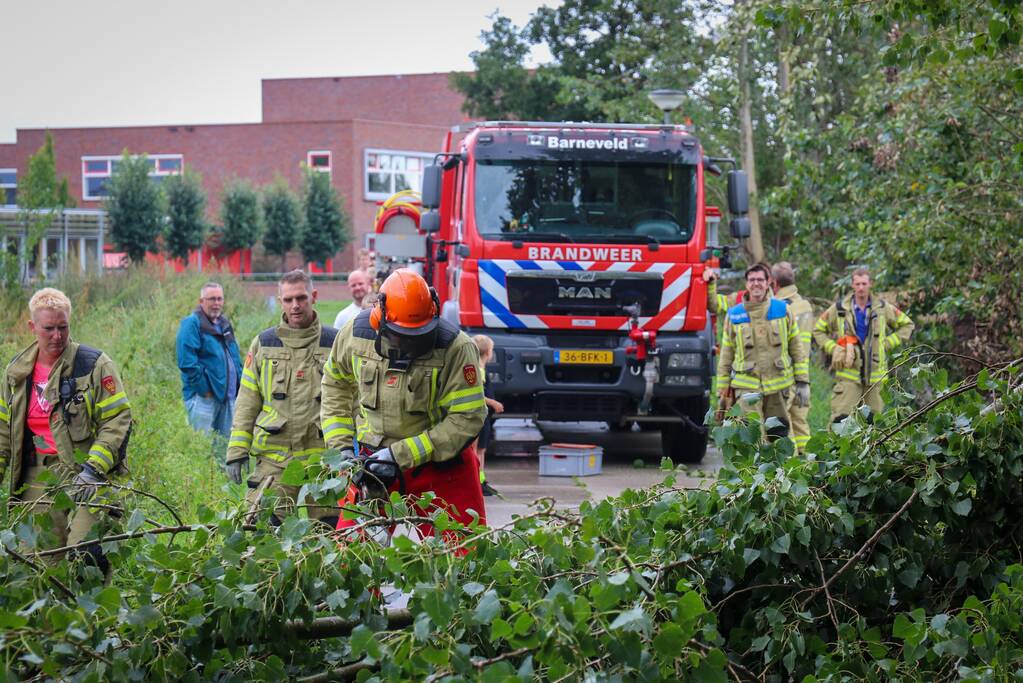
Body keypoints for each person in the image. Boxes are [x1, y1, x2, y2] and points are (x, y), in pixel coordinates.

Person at [321, 268, 488, 540]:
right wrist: (340, 447)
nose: (412, 342)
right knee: (352, 559)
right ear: (380, 320)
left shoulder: (456, 347)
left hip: (440, 462)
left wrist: (400, 454)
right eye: (402, 335)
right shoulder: (354, 335)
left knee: (460, 556)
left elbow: (467, 417)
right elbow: (334, 385)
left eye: (420, 334)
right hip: (371, 463)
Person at [0, 288, 132, 573]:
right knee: (39, 569)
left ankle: (92, 617)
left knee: (88, 559)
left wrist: (94, 469)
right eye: (48, 329)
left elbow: (118, 419)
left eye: (63, 327)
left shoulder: (94, 364)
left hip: (87, 474)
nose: (57, 336)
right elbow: (2, 432)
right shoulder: (16, 372)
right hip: (37, 478)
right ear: (32, 327)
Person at [226, 270, 339, 525]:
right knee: (263, 531)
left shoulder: (335, 343)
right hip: (275, 459)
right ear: (280, 301)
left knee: (331, 536)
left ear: (314, 296)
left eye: (301, 297)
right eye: (288, 300)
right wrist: (237, 450)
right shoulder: (264, 344)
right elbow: (247, 400)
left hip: (324, 459)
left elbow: (352, 400)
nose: (295, 305)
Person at [716, 263, 810, 442]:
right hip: (746, 389)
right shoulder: (734, 315)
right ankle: (754, 471)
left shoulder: (782, 310)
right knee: (751, 437)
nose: (756, 284)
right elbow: (726, 356)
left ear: (769, 283)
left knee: (779, 437)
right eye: (752, 280)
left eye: (760, 279)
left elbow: (796, 348)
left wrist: (802, 382)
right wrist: (722, 391)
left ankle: (780, 470)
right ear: (746, 284)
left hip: (778, 388)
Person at [813, 268, 915, 422]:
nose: (861, 287)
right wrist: (834, 348)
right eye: (857, 284)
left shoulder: (882, 308)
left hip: (875, 379)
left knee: (874, 425)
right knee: (841, 423)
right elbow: (818, 329)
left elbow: (907, 325)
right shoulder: (840, 309)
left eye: (864, 283)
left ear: (870, 284)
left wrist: (886, 344)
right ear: (852, 285)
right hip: (848, 377)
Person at [175, 282, 242, 461]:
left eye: (219, 298)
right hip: (204, 398)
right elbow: (187, 362)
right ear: (201, 301)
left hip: (228, 398)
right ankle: (199, 487)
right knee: (201, 451)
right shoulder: (192, 324)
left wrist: (239, 385)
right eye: (212, 299)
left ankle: (221, 488)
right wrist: (205, 390)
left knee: (225, 450)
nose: (216, 303)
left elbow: (234, 358)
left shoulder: (224, 324)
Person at [771, 261, 815, 451]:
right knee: (800, 423)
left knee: (782, 425)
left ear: (774, 283)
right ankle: (810, 466)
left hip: (785, 375)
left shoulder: (779, 307)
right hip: (803, 375)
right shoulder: (805, 305)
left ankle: (791, 468)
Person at [472, 334, 504, 497]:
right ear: (487, 352)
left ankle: (481, 481)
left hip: (483, 416)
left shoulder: (480, 369)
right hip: (480, 416)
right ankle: (478, 482)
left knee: (480, 450)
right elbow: (477, 393)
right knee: (478, 451)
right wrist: (493, 403)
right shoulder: (478, 371)